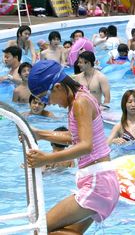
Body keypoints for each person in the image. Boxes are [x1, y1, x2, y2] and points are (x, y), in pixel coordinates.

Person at [25, 60, 119, 233]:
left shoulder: (79, 103)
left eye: (46, 97)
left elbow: (85, 146)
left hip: (97, 183)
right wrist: (41, 134)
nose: (49, 103)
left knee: (40, 228)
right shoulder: (80, 97)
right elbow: (76, 137)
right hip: (101, 180)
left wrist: (45, 158)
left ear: (59, 86)